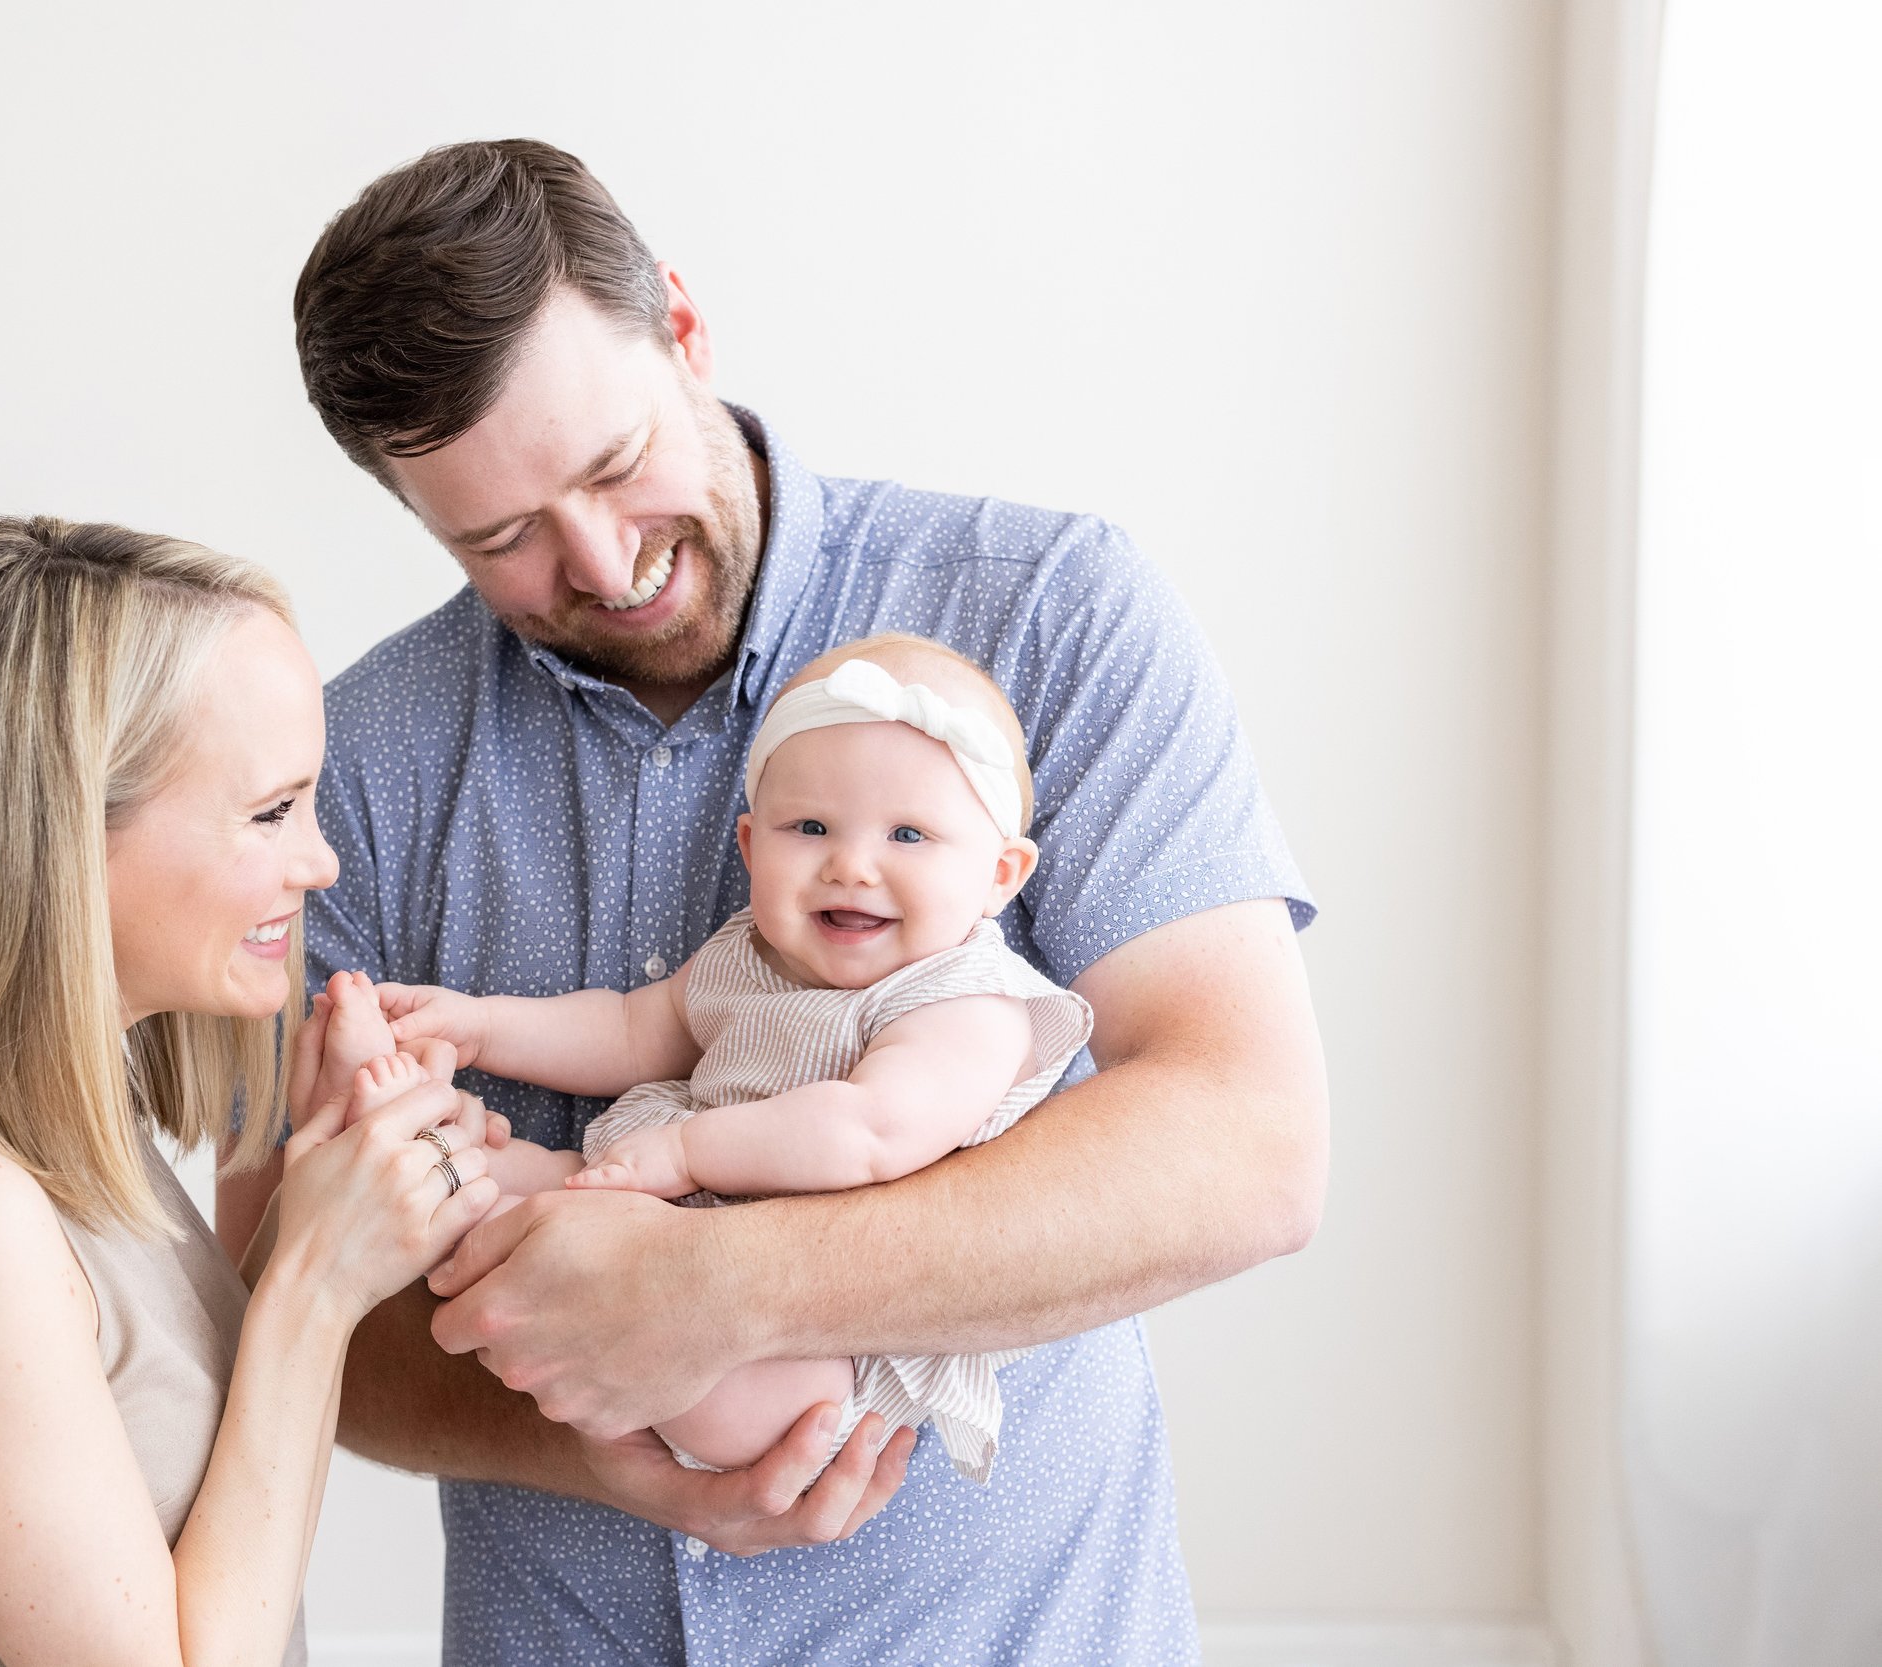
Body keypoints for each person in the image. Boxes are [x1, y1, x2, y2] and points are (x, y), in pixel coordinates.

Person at [232, 139, 1331, 1663]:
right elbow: (283, 1294)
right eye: (502, 538)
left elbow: (1246, 1143)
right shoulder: (349, 775)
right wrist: (592, 1441)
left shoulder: (1052, 609)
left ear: (683, 327)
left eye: (615, 467)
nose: (603, 564)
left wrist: (718, 1288)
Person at [0, 517, 503, 1667]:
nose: (319, 860)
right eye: (272, 811)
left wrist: (320, 1192)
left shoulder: (59, 1148)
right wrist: (320, 1284)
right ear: (65, 833)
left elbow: (174, 1477)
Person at [356, 635, 1095, 1483]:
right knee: (558, 1196)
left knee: (739, 1396)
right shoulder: (749, 954)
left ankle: (496, 1219)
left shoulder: (970, 1001)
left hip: (819, 1340)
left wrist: (682, 1151)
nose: (852, 864)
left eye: (910, 834)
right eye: (809, 826)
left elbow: (867, 1133)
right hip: (669, 1233)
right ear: (750, 846)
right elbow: (633, 1031)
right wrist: (486, 1026)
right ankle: (458, 1167)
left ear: (1001, 873)